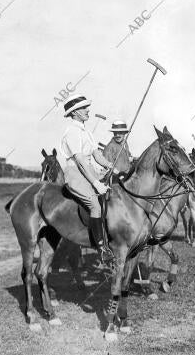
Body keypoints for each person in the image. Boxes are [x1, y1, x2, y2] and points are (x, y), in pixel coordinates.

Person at [60, 94, 117, 264]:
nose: (87, 110)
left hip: (89, 170)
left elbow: (97, 155)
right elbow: (80, 161)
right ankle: (101, 248)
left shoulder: (86, 132)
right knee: (95, 205)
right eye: (84, 108)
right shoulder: (71, 132)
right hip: (75, 174)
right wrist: (96, 183)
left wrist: (111, 166)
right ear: (75, 112)